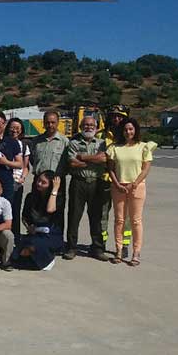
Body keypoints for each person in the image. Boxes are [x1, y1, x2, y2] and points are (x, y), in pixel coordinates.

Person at [106, 118, 154, 266]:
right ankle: (119, 250)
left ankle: (136, 253)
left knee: (135, 221)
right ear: (121, 131)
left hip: (136, 187)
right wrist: (116, 183)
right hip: (119, 187)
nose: (128, 132)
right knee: (119, 220)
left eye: (131, 129)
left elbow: (145, 169)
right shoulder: (114, 148)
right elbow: (110, 169)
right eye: (126, 129)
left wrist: (135, 183)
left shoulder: (143, 147)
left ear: (136, 130)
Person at [64, 116, 111, 261]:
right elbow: (72, 163)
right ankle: (72, 248)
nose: (89, 127)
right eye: (85, 125)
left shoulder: (102, 143)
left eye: (92, 125)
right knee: (74, 216)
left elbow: (103, 159)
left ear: (96, 127)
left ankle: (97, 248)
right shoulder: (73, 142)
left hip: (96, 183)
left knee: (96, 217)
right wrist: (93, 160)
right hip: (78, 183)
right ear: (80, 127)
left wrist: (83, 157)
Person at [98, 104, 132, 257]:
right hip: (104, 180)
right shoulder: (100, 136)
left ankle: (124, 245)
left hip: (124, 182)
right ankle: (101, 243)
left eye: (120, 116)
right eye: (114, 116)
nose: (116, 118)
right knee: (102, 214)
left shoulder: (130, 136)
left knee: (124, 217)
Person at [11, 172, 63, 271]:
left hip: (50, 234)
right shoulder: (31, 197)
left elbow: (50, 209)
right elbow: (24, 217)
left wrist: (55, 189)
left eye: (44, 182)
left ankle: (47, 259)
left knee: (33, 247)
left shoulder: (57, 198)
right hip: (35, 232)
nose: (39, 184)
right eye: (38, 181)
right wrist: (29, 227)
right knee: (18, 254)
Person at [30, 110, 69, 231]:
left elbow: (68, 162)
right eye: (47, 122)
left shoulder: (64, 142)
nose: (50, 125)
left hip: (56, 181)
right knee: (36, 209)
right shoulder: (36, 141)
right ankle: (37, 234)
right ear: (43, 123)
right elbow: (32, 158)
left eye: (53, 122)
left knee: (57, 211)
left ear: (58, 123)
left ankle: (56, 239)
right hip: (39, 181)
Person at [5, 117, 31, 236]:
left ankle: (15, 237)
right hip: (3, 182)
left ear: (21, 130)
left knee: (15, 211)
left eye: (17, 128)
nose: (14, 130)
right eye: (12, 128)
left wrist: (23, 178)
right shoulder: (3, 142)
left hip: (17, 183)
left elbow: (25, 167)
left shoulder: (24, 146)